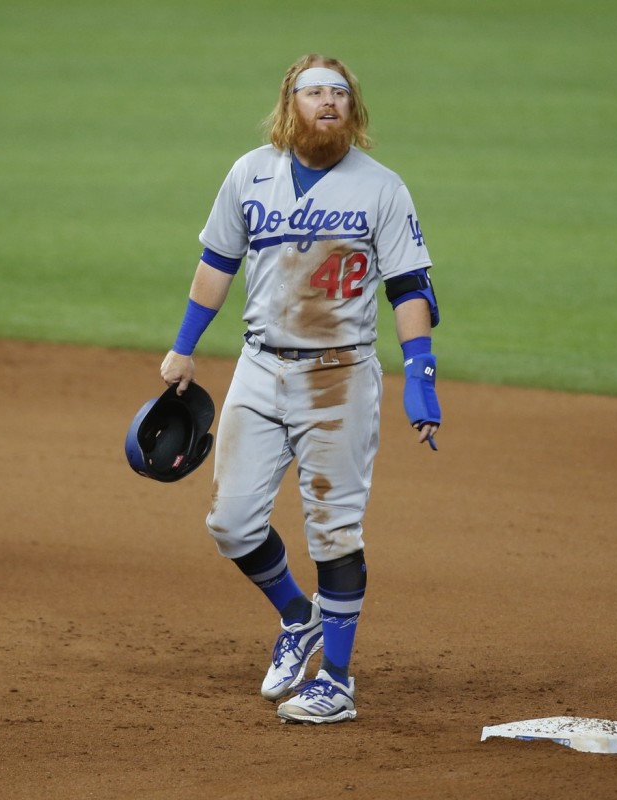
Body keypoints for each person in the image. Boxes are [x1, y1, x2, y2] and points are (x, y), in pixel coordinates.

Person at [159, 53, 441, 724]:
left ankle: (337, 683)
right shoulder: (248, 173)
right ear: (291, 106)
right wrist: (183, 347)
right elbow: (217, 262)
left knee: (334, 532)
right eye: (313, 92)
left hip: (339, 376)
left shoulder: (382, 188)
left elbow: (409, 286)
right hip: (260, 368)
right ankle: (298, 617)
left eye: (339, 94)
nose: (328, 102)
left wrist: (420, 376)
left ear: (355, 110)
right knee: (230, 523)